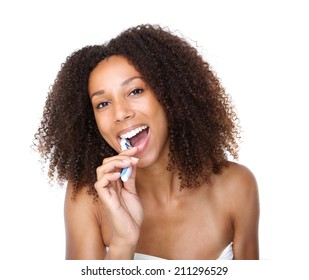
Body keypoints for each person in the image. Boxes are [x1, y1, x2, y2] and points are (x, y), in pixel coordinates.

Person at [34, 24, 259, 260]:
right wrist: (123, 242)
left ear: (169, 94)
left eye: (135, 91)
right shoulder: (88, 197)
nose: (120, 113)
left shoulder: (236, 186)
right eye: (102, 104)